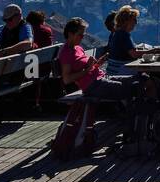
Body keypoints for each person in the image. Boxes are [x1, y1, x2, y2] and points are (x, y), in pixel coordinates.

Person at [57, 18, 143, 153]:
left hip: (100, 78)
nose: (83, 37)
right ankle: (131, 132)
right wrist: (87, 69)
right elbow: (67, 79)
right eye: (80, 34)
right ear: (70, 34)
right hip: (93, 86)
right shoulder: (66, 52)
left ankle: (134, 129)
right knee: (131, 89)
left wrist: (97, 64)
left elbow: (88, 69)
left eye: (84, 34)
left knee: (138, 79)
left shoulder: (78, 48)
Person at [105, 6, 141, 74]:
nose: (136, 23)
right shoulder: (124, 35)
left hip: (113, 70)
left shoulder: (116, 33)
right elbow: (134, 54)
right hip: (121, 71)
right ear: (126, 21)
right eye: (134, 20)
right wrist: (152, 52)